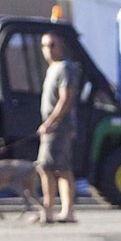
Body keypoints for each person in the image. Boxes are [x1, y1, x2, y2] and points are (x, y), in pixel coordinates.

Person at [35, 31, 79, 224]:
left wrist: (51, 122)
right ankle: (50, 210)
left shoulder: (65, 68)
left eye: (53, 45)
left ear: (61, 46)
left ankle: (64, 211)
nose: (49, 49)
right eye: (45, 45)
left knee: (57, 168)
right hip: (52, 125)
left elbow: (65, 98)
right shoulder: (52, 69)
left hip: (59, 126)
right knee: (48, 167)